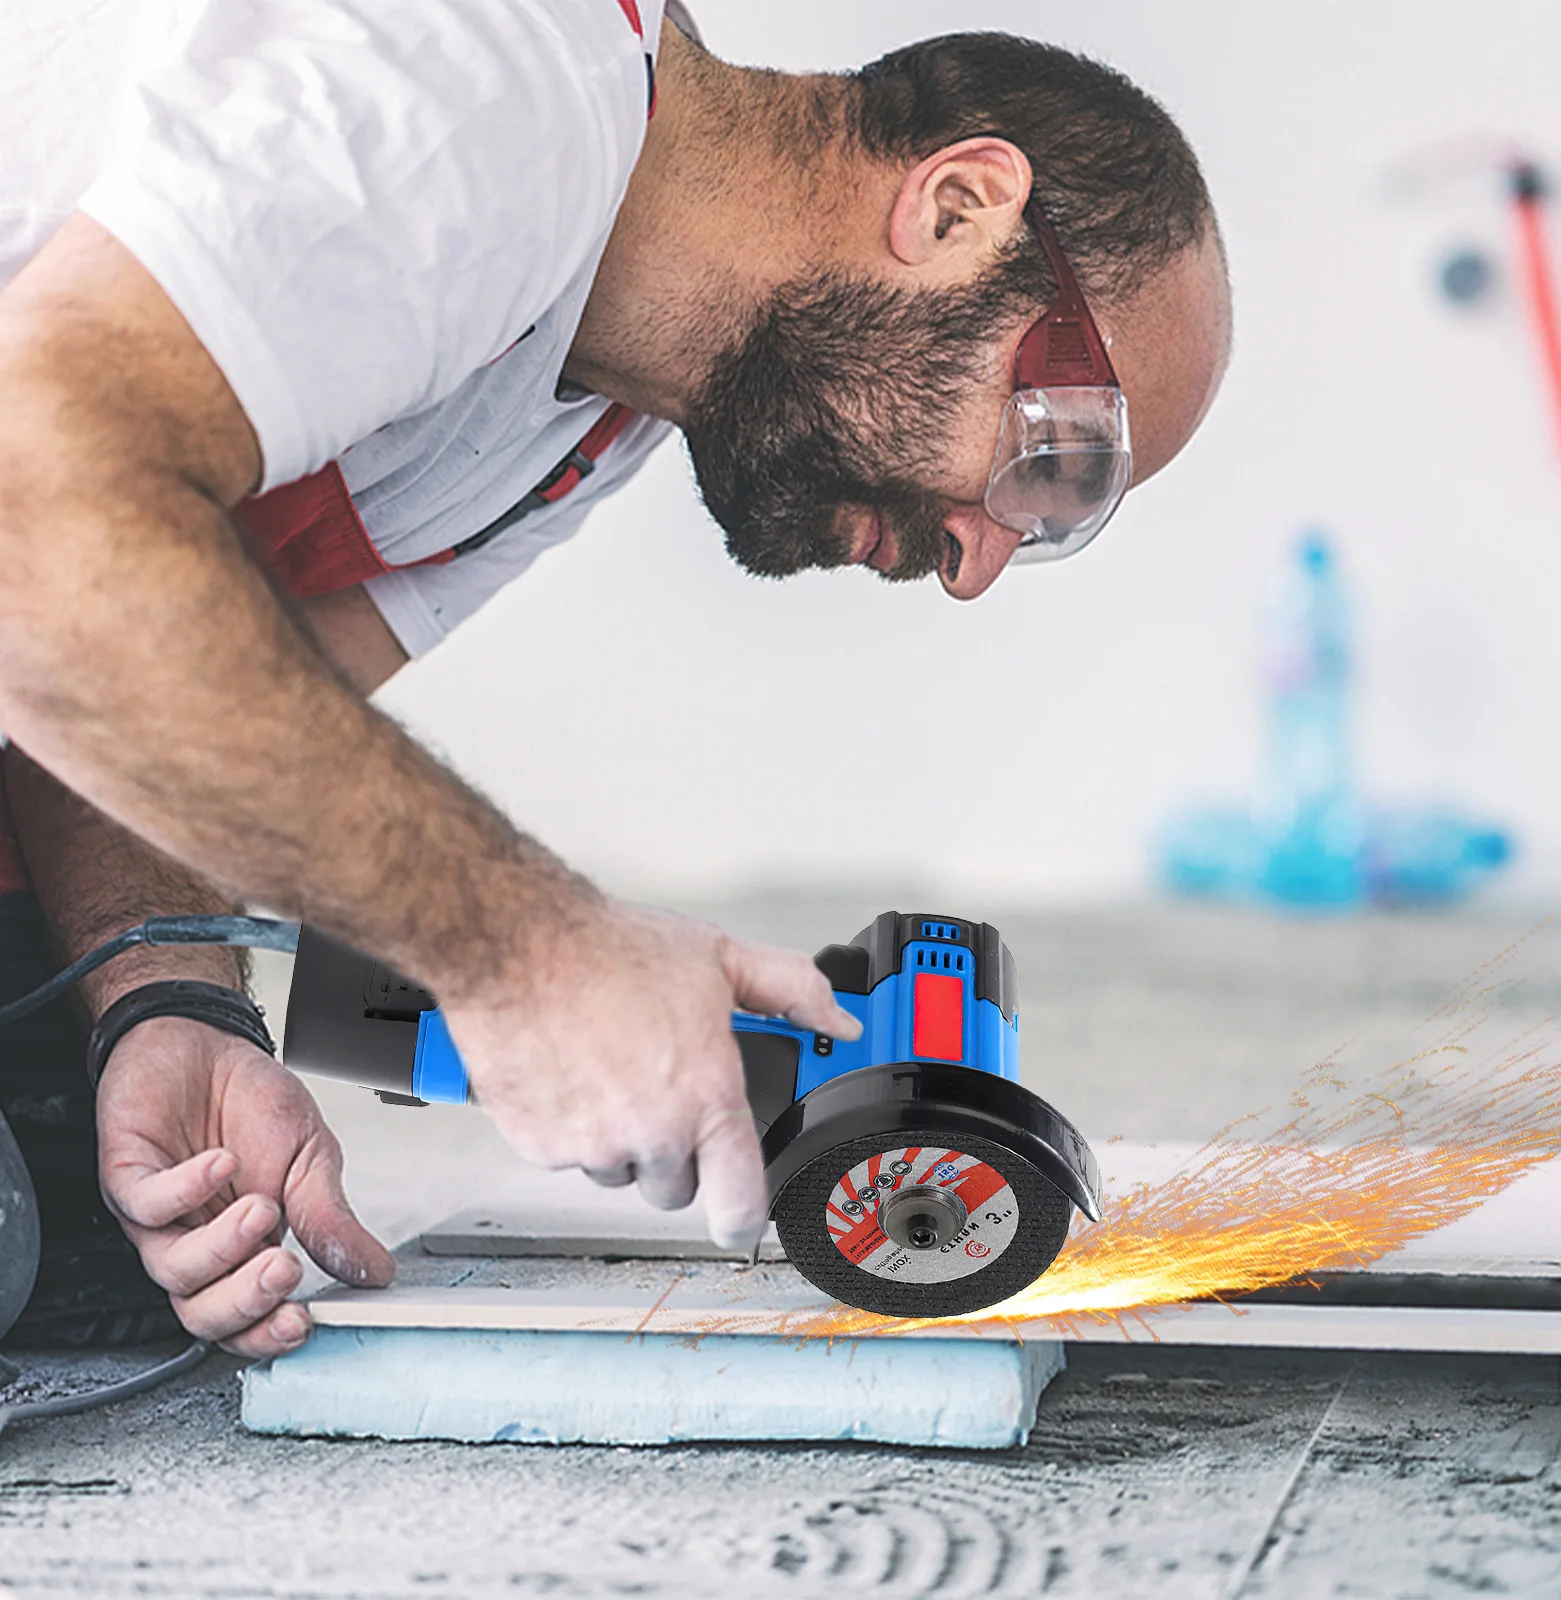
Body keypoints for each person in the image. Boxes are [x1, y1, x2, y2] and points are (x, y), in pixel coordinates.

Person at [0, 1, 1232, 1357]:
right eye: (1055, 461)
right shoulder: (480, 78)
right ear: (957, 208)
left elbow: (141, 678)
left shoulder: (592, 417)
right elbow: (36, 523)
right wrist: (528, 954)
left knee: (87, 1266)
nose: (979, 564)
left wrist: (170, 995)